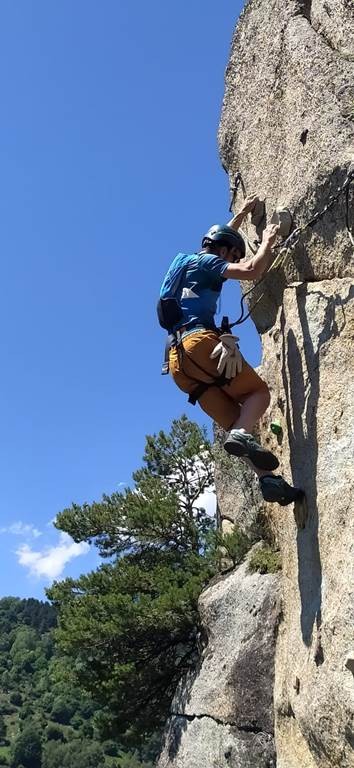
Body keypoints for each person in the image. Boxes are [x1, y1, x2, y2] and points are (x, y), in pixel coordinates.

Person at [158, 196, 302, 506]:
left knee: (240, 420)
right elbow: (251, 269)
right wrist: (268, 240)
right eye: (231, 254)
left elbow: (220, 240)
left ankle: (268, 482)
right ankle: (240, 438)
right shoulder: (212, 262)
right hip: (200, 343)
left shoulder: (184, 262)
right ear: (222, 251)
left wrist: (239, 216)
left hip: (178, 364)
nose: (232, 261)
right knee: (258, 395)